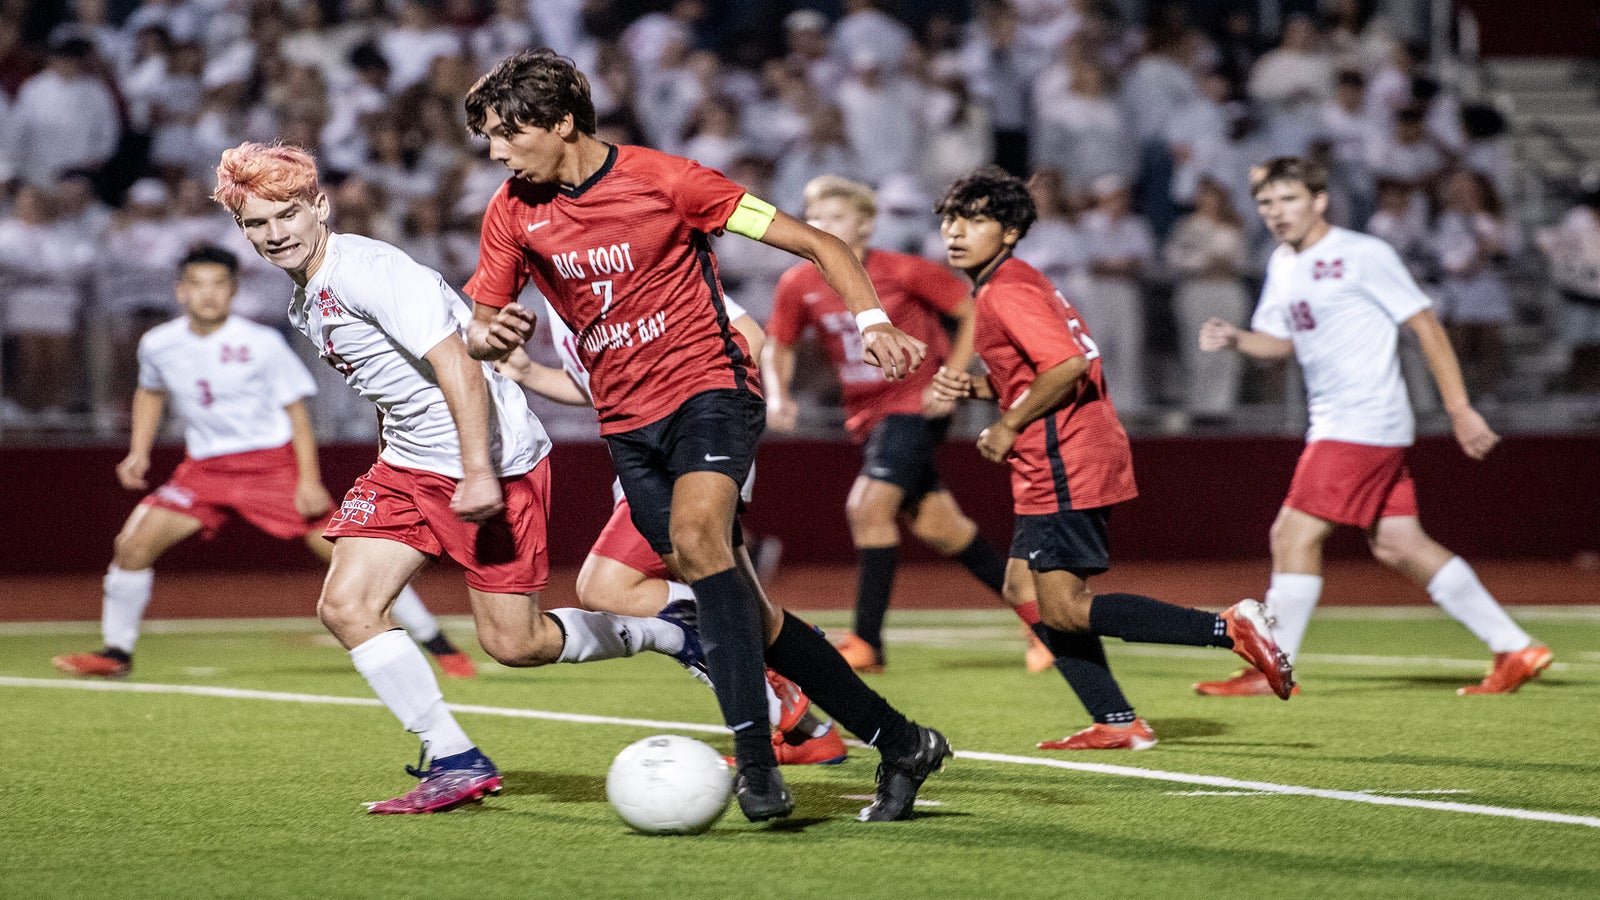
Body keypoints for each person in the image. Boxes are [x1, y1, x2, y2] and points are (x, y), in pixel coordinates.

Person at [461, 49, 948, 823]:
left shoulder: (671, 180)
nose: (495, 152)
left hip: (711, 389)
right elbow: (482, 323)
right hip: (624, 422)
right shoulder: (512, 210)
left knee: (697, 542)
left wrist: (873, 320)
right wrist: (494, 338)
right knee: (744, 610)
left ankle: (757, 764)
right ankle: (903, 741)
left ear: (559, 123)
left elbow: (822, 244)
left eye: (505, 134)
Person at [212, 141, 703, 815]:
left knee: (515, 643)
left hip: (490, 460)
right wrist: (395, 454)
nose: (274, 235)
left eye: (285, 216)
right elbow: (394, 386)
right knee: (347, 607)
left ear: (318, 207)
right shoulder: (308, 296)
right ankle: (455, 759)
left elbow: (457, 363)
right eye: (256, 225)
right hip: (411, 464)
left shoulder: (367, 270)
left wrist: (478, 474)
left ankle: (672, 628)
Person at [930, 166, 1294, 750]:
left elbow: (1067, 367)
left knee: (1066, 609)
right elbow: (1046, 369)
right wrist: (980, 389)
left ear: (1010, 231)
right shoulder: (1014, 280)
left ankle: (1229, 627)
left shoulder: (1006, 290)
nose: (956, 230)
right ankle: (1116, 721)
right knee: (1023, 590)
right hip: (1067, 451)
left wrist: (1008, 424)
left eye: (976, 219)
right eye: (951, 218)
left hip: (1063, 457)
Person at [1195, 156, 1550, 697]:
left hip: (1360, 420)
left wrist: (1458, 408)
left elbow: (1425, 323)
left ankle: (1275, 666)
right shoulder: (1283, 263)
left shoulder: (1363, 253)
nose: (1276, 212)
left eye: (1289, 199)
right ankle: (1515, 647)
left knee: (1290, 535)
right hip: (1349, 422)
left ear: (1320, 200)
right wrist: (1237, 338)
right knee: (1400, 543)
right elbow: (1281, 343)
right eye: (1266, 203)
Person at [51, 245, 476, 681]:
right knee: (132, 546)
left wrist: (308, 481)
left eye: (219, 285)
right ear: (181, 292)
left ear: (233, 291)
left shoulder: (261, 342)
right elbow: (150, 392)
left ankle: (435, 641)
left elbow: (297, 412)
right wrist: (139, 450)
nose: (208, 295)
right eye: (198, 285)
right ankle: (117, 653)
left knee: (352, 558)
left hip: (269, 468)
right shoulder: (159, 344)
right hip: (202, 471)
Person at [496, 295, 849, 767]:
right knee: (732, 596)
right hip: (647, 464)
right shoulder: (563, 292)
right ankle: (813, 730)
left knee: (606, 585)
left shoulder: (635, 259)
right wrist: (528, 374)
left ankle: (761, 647)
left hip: (689, 458)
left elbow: (748, 331)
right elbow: (598, 384)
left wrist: (688, 410)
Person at [762, 175, 1047, 674]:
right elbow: (778, 344)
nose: (819, 226)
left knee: (867, 508)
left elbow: (973, 310)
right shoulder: (798, 282)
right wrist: (778, 394)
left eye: (834, 217)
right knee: (944, 529)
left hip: (916, 404)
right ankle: (1044, 621)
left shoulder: (902, 269)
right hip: (867, 417)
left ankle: (867, 643)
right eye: (813, 218)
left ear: (867, 225)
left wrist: (953, 377)